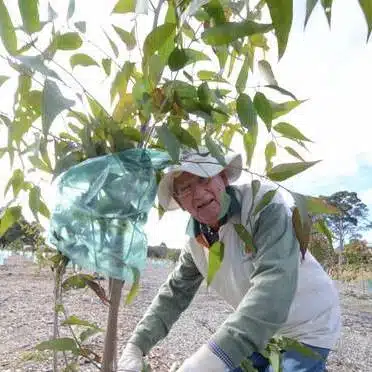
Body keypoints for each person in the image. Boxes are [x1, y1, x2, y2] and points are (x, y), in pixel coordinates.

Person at [117, 149, 341, 372]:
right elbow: (174, 295)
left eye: (204, 178)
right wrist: (136, 346)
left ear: (223, 177)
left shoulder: (263, 205)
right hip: (256, 331)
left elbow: (273, 291)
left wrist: (202, 362)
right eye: (185, 188)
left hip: (307, 325)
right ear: (180, 202)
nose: (198, 194)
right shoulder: (196, 243)